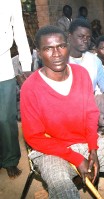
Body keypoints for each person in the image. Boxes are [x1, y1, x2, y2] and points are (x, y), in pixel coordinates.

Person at [20, 25, 104, 199]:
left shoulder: (81, 74)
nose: (56, 54)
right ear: (39, 53)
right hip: (50, 150)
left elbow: (91, 115)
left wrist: (93, 148)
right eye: (48, 48)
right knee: (62, 186)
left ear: (67, 46)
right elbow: (34, 137)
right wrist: (76, 158)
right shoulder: (30, 88)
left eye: (61, 46)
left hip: (85, 142)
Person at [0, 0, 32, 178]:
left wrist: (26, 64)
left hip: (3, 69)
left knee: (6, 119)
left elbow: (19, 31)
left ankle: (10, 159)